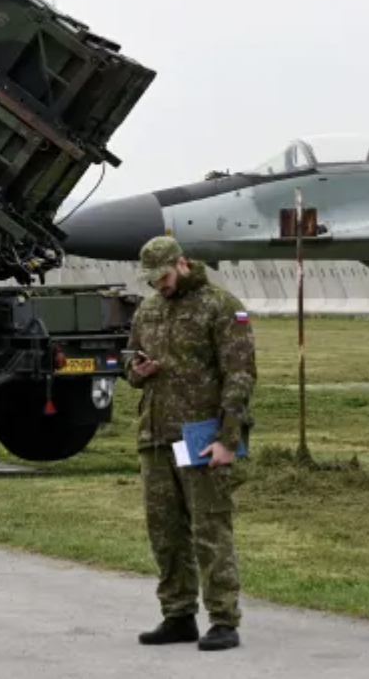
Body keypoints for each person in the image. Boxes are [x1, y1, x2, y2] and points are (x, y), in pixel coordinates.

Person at [124, 235, 256, 652]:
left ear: (181, 264)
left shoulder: (220, 305)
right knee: (164, 532)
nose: (157, 285)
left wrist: (227, 438)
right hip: (156, 436)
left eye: (162, 277)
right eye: (151, 280)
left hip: (201, 437)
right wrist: (137, 370)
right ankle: (178, 615)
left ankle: (223, 619)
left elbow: (240, 375)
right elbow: (129, 360)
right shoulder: (149, 309)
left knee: (209, 528)